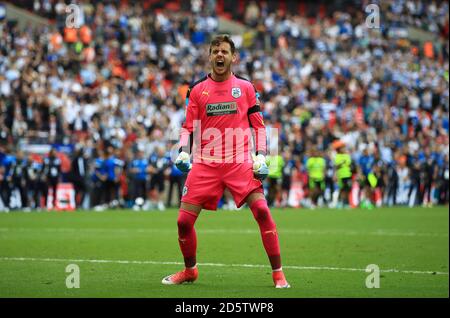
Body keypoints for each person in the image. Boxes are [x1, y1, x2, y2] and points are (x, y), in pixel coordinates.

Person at [161, 35, 290, 288]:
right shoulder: (196, 90)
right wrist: (183, 152)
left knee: (263, 211)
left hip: (239, 161)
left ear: (234, 57)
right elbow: (188, 127)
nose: (220, 55)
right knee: (183, 222)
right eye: (215, 51)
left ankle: (278, 274)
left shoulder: (246, 88)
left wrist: (261, 155)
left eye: (225, 52)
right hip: (205, 163)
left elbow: (259, 127)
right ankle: (190, 271)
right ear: (210, 56)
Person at [332, 140, 352, 208]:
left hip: (348, 175)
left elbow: (349, 164)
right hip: (341, 175)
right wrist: (335, 175)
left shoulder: (347, 155)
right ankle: (340, 202)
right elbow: (336, 166)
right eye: (342, 148)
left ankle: (346, 202)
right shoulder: (337, 156)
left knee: (348, 189)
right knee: (342, 189)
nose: (344, 149)